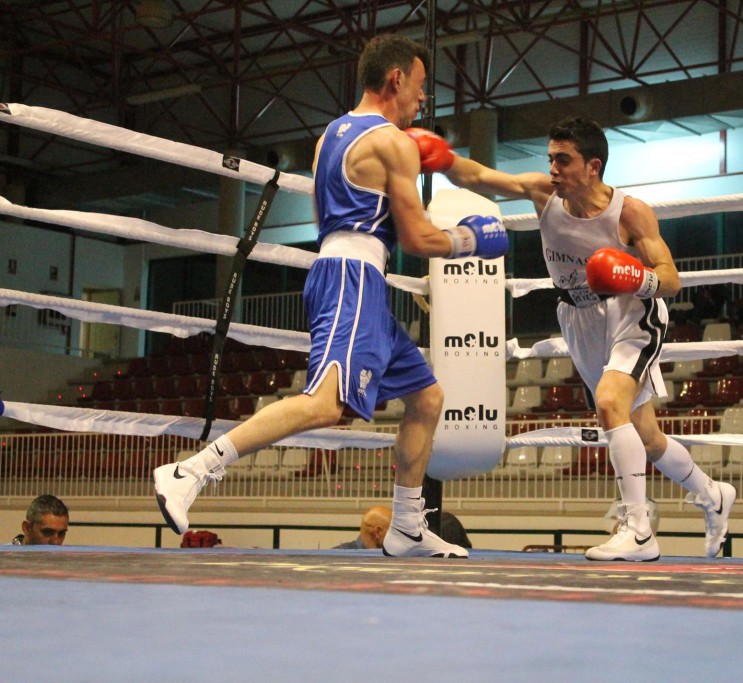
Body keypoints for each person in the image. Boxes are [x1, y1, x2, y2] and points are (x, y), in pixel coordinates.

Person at [153, 34, 508, 559]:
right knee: (325, 405)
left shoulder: (332, 134)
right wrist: (472, 239)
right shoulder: (392, 141)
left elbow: (335, 218)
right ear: (396, 80)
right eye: (420, 87)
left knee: (427, 399)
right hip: (353, 279)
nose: (421, 100)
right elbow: (416, 238)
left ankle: (408, 524)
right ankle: (192, 468)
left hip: (348, 271)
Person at [432, 115, 736, 561]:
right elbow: (479, 176)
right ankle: (713, 494)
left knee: (611, 403)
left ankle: (638, 532)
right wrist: (436, 157)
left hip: (633, 311)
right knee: (647, 437)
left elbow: (671, 279)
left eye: (563, 159)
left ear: (593, 166)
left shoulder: (629, 212)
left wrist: (635, 276)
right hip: (577, 317)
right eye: (550, 158)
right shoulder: (543, 194)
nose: (553, 168)